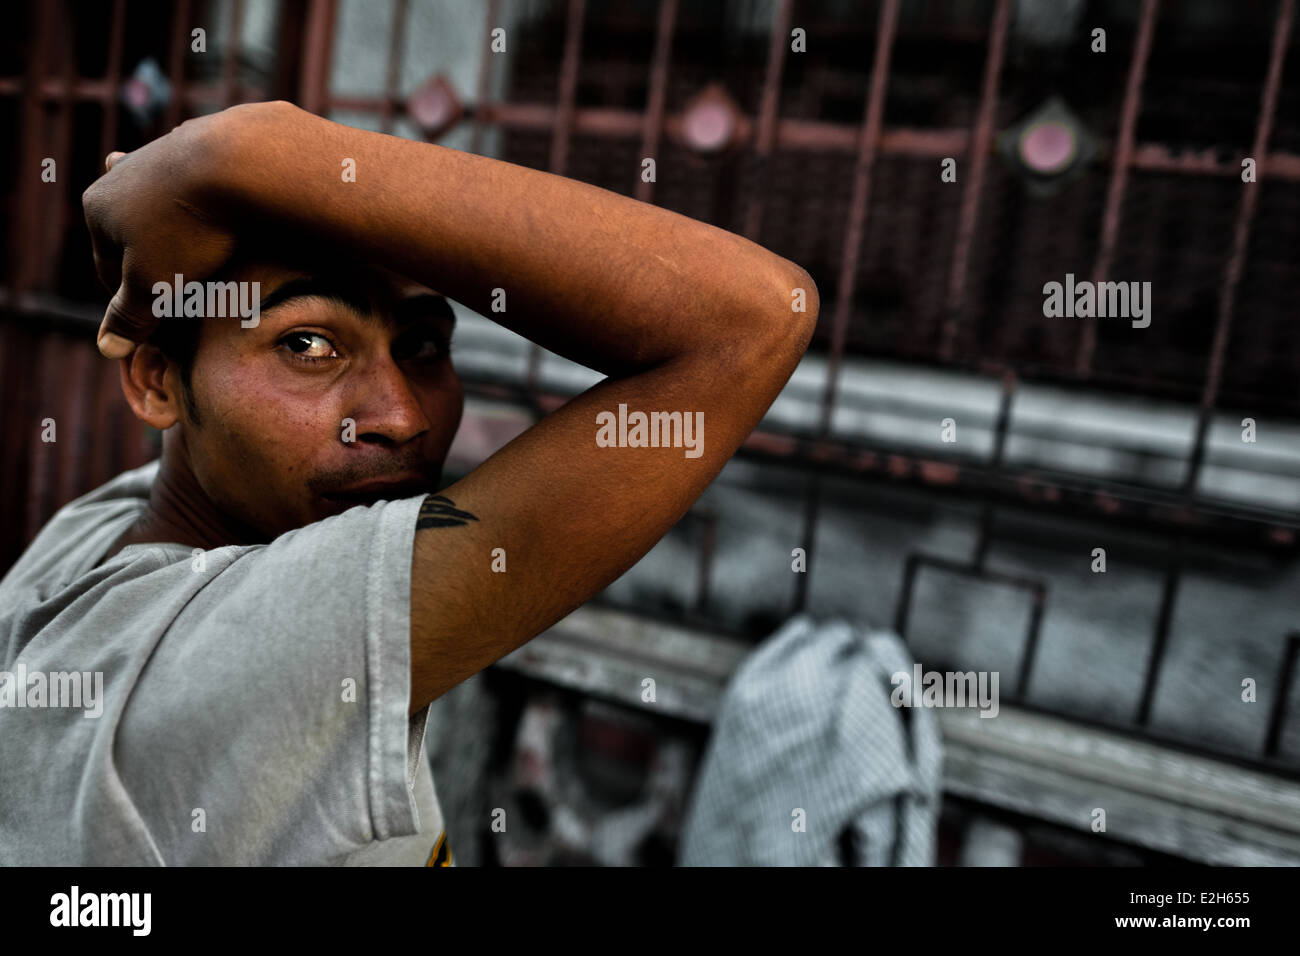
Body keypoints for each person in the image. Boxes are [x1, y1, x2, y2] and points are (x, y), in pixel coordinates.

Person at [0, 100, 817, 865]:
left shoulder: (101, 532)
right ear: (156, 381)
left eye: (424, 345)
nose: (399, 415)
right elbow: (754, 316)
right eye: (309, 345)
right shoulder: (242, 654)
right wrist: (231, 153)